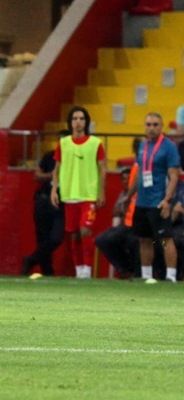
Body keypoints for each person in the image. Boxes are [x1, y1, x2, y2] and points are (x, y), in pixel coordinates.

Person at [50, 106, 106, 279]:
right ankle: (79, 269)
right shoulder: (63, 143)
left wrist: (101, 192)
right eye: (75, 119)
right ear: (70, 122)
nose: (78, 122)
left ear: (86, 122)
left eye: (82, 119)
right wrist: (54, 190)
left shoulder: (95, 143)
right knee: (74, 233)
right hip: (69, 194)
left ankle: (87, 270)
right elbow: (56, 170)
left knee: (85, 230)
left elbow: (102, 169)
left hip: (88, 194)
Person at [125, 112, 181, 283]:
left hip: (159, 201)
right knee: (144, 239)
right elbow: (140, 174)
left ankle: (171, 277)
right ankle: (146, 276)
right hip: (142, 201)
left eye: (155, 124)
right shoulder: (143, 145)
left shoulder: (169, 147)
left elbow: (174, 176)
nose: (151, 128)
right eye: (148, 124)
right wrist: (129, 196)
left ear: (161, 126)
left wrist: (167, 200)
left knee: (166, 239)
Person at [22, 130, 68, 277]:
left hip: (61, 202)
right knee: (42, 238)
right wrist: (53, 175)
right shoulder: (49, 156)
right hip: (43, 200)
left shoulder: (74, 159)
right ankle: (47, 271)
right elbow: (37, 175)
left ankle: (31, 259)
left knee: (56, 237)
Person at [95, 165, 140, 279]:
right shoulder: (123, 194)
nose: (126, 181)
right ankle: (123, 269)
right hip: (124, 224)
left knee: (133, 241)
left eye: (128, 178)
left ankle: (137, 272)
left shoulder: (139, 193)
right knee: (101, 239)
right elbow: (115, 212)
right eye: (123, 179)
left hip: (137, 226)